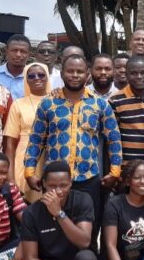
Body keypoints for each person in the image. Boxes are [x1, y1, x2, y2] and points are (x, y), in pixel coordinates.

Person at [24, 55, 122, 244]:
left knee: (88, 230)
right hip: (54, 181)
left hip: (88, 179)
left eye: (79, 72)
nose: (75, 75)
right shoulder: (48, 104)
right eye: (70, 71)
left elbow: (114, 139)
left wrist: (115, 171)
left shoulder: (100, 104)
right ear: (62, 74)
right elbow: (36, 139)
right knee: (52, 227)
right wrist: (29, 171)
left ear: (87, 75)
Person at [3, 63, 50, 203]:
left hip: (51, 156)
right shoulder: (18, 104)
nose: (37, 78)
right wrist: (10, 177)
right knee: (24, 206)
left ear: (47, 77)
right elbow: (9, 143)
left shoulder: (58, 101)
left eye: (41, 75)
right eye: (31, 76)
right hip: (24, 159)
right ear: (26, 80)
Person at [108, 56, 144, 166]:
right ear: (126, 75)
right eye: (133, 73)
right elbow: (112, 137)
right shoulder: (115, 100)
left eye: (143, 73)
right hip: (126, 167)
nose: (139, 77)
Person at [0, 34, 33, 100]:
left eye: (23, 51)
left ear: (29, 55)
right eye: (14, 50)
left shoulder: (35, 77)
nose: (18, 55)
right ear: (6, 52)